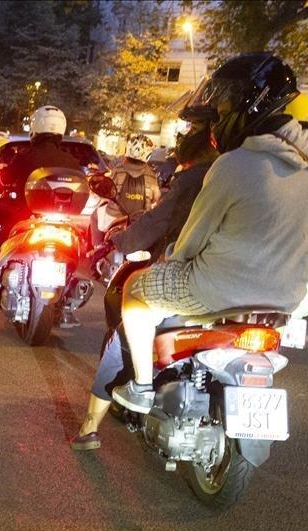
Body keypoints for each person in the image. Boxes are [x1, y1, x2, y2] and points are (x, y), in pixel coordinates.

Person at [112, 53, 308, 415]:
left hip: (215, 291)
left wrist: (171, 257)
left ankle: (141, 387)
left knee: (135, 290)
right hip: (286, 299)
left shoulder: (232, 166)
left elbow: (191, 242)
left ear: (255, 100)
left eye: (225, 102)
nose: (219, 112)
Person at [71, 113, 219, 450]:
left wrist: (117, 242)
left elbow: (156, 220)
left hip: (195, 278)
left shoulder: (196, 177)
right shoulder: (251, 177)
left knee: (125, 329)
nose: (183, 137)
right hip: (255, 293)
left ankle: (91, 427)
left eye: (191, 130)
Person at [0, 105, 80, 323]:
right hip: (61, 225)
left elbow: (1, 180)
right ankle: (65, 307)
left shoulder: (25, 158)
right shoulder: (72, 163)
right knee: (73, 255)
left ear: (35, 128)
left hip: (22, 221)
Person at [110, 134, 161, 218]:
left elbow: (108, 190)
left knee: (95, 217)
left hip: (116, 217)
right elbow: (156, 198)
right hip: (141, 220)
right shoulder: (151, 175)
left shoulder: (117, 170)